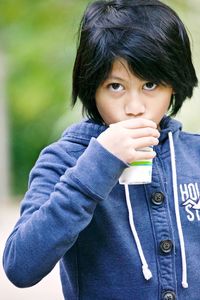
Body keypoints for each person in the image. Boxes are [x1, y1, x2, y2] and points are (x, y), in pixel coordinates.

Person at [3, 0, 199, 299]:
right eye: (116, 86)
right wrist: (99, 164)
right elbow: (20, 267)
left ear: (174, 84)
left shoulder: (195, 155)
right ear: (91, 86)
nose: (135, 108)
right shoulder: (65, 159)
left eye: (151, 85)